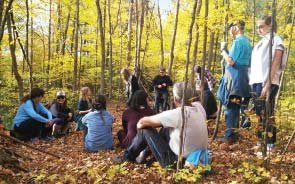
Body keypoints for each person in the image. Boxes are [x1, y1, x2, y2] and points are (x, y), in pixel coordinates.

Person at [113, 82, 208, 168]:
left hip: (175, 162)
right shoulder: (199, 108)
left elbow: (142, 122)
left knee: (144, 129)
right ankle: (145, 153)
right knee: (166, 127)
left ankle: (127, 157)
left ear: (174, 98)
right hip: (197, 158)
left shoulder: (178, 113)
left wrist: (139, 128)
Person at [249, 15, 285, 148]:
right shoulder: (260, 42)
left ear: (270, 26)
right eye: (257, 27)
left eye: (261, 26)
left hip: (267, 81)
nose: (259, 29)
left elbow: (276, 61)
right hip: (256, 81)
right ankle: (261, 141)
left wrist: (268, 83)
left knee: (267, 112)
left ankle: (270, 144)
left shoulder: (276, 39)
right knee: (259, 113)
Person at [217, 20, 252, 143]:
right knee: (236, 107)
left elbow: (230, 61)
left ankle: (229, 137)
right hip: (243, 79)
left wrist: (223, 50)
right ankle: (234, 135)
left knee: (231, 107)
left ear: (235, 28)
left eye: (231, 28)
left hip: (235, 80)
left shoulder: (238, 42)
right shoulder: (248, 42)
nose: (230, 31)